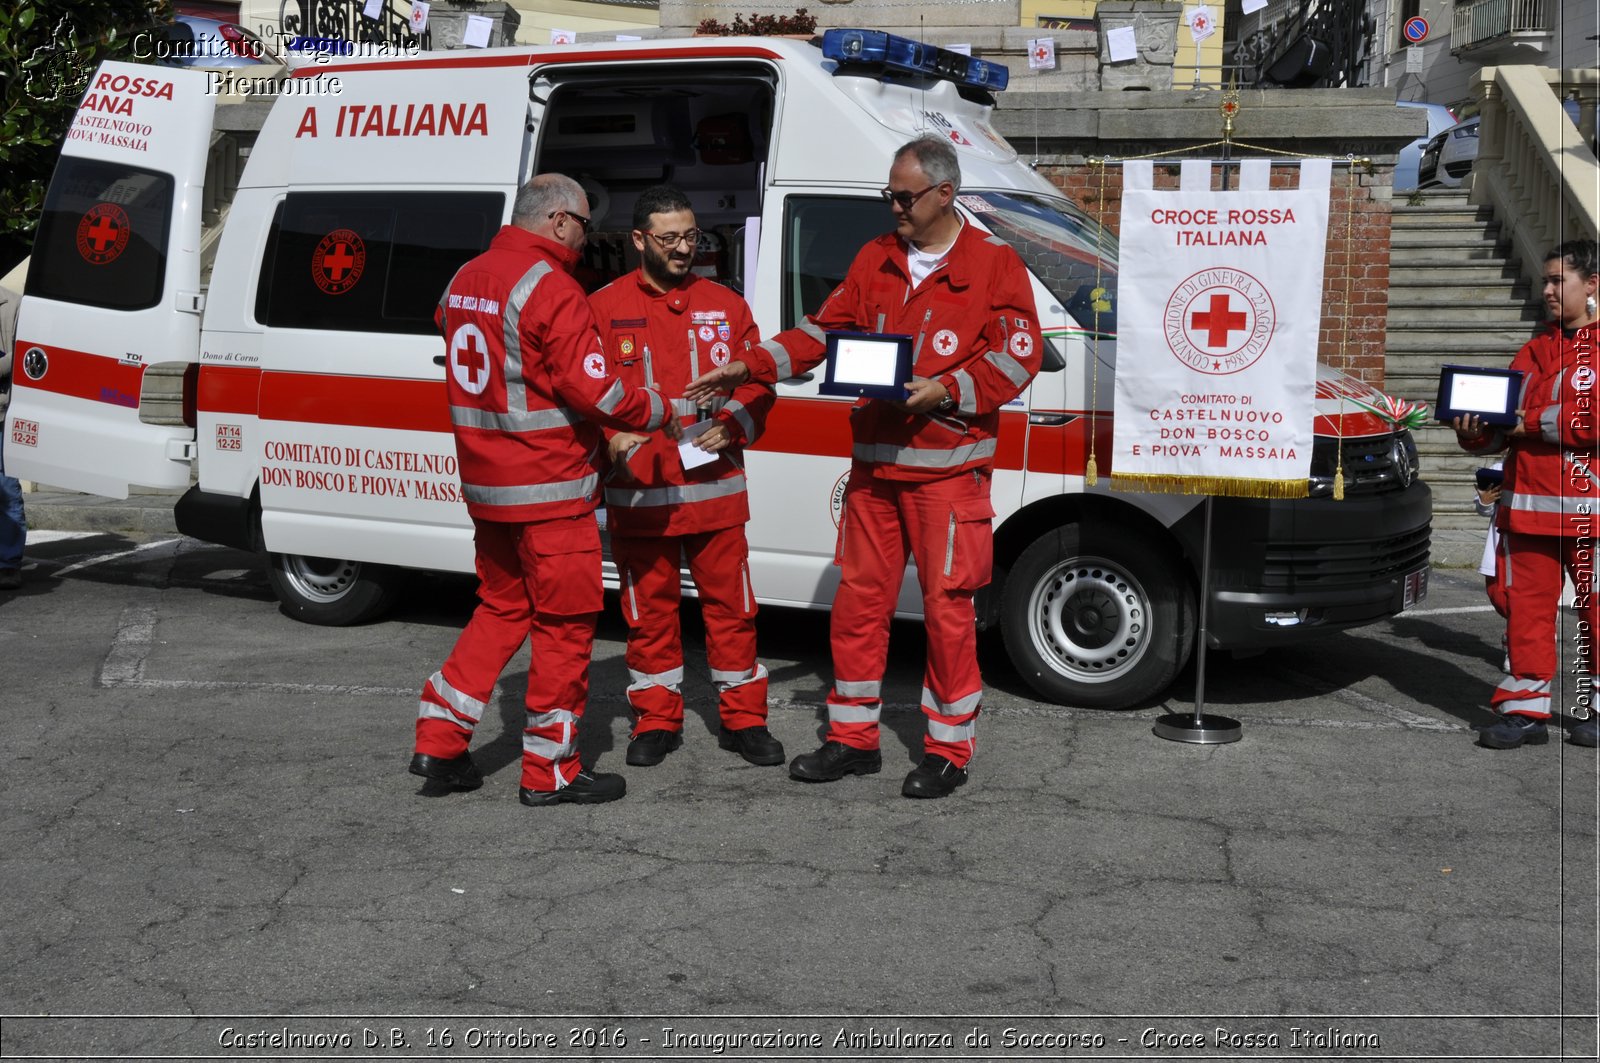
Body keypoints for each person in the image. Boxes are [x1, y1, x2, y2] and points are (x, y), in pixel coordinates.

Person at [686, 135, 1043, 798]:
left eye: (904, 196)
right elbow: (822, 333)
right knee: (857, 607)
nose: (893, 207)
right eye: (889, 194)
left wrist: (948, 390)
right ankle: (851, 739)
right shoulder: (874, 257)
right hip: (876, 475)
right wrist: (752, 363)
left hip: (946, 474)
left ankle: (948, 749)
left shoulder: (994, 264)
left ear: (945, 193)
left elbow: (1018, 357)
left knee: (947, 614)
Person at [410, 174, 680, 806]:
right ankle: (550, 771)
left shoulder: (464, 278)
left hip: (488, 487)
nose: (586, 240)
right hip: (550, 490)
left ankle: (440, 742)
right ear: (559, 221)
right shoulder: (552, 287)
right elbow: (598, 392)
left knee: (500, 609)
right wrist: (660, 409)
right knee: (564, 628)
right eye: (585, 226)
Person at [589, 185, 784, 768]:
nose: (682, 248)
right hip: (643, 492)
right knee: (648, 611)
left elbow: (759, 382)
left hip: (714, 492)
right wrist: (612, 440)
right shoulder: (601, 308)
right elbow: (585, 395)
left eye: (691, 236)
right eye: (669, 238)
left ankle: (744, 719)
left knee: (734, 608)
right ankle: (655, 720)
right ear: (639, 239)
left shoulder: (727, 304)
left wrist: (735, 423)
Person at [1455, 239, 1599, 749]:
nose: (1549, 291)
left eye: (1560, 281)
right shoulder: (1536, 349)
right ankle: (1524, 712)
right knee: (1527, 615)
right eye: (1546, 281)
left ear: (1593, 285)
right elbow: (1501, 424)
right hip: (1528, 512)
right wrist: (1475, 429)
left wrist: (1524, 423)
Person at [0, 284, 24, 592]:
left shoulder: (14, 304)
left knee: (5, 486)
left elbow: (22, 356)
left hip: (3, 412)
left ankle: (7, 564)